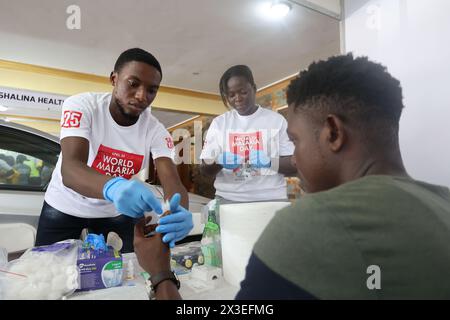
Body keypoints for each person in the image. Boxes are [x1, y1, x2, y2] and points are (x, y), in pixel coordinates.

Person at [133, 54, 450, 299]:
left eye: (296, 142)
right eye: (231, 95)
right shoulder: (442, 201)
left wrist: (161, 276)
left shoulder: (302, 227)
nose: (295, 157)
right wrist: (216, 162)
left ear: (333, 133)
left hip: (266, 203)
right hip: (230, 203)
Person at [35, 48, 193, 253]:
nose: (141, 96)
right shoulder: (83, 106)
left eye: (152, 90)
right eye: (133, 83)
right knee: (50, 274)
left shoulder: (155, 130)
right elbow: (71, 169)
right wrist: (114, 187)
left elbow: (172, 180)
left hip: (115, 213)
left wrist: (179, 212)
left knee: (123, 275)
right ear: (114, 79)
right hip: (65, 206)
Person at [199, 65, 296, 203]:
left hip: (271, 198)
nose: (237, 98)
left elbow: (294, 165)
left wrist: (269, 162)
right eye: (231, 95)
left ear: (254, 88)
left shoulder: (276, 121)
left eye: (243, 92)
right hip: (228, 198)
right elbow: (205, 171)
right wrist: (218, 161)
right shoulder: (219, 123)